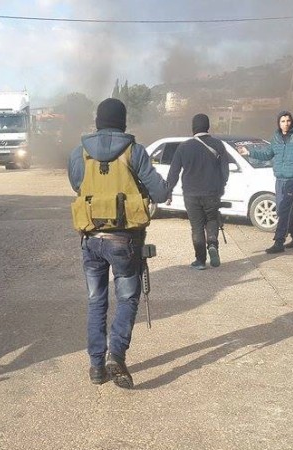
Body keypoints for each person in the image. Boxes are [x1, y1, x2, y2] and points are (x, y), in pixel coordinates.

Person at [68, 98, 169, 389]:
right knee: (126, 298)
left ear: (98, 121)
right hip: (125, 241)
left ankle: (96, 366)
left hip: (91, 239)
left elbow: (78, 186)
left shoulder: (79, 152)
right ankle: (116, 354)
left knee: (95, 301)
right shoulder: (134, 151)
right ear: (123, 122)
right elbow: (160, 193)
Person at [237, 111, 293, 254]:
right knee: (282, 210)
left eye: (288, 121)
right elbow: (267, 154)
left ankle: (279, 242)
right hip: (279, 180)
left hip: (292, 180)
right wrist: (249, 152)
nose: (286, 124)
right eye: (283, 121)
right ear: (279, 123)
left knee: (284, 210)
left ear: (292, 121)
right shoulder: (276, 138)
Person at [165, 113, 229, 270]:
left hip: (191, 194)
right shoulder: (218, 145)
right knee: (212, 220)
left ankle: (200, 261)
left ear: (193, 127)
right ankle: (212, 244)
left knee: (197, 226)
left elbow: (174, 172)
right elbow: (225, 171)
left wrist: (168, 191)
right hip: (212, 192)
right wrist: (221, 187)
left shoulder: (184, 147)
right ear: (208, 126)